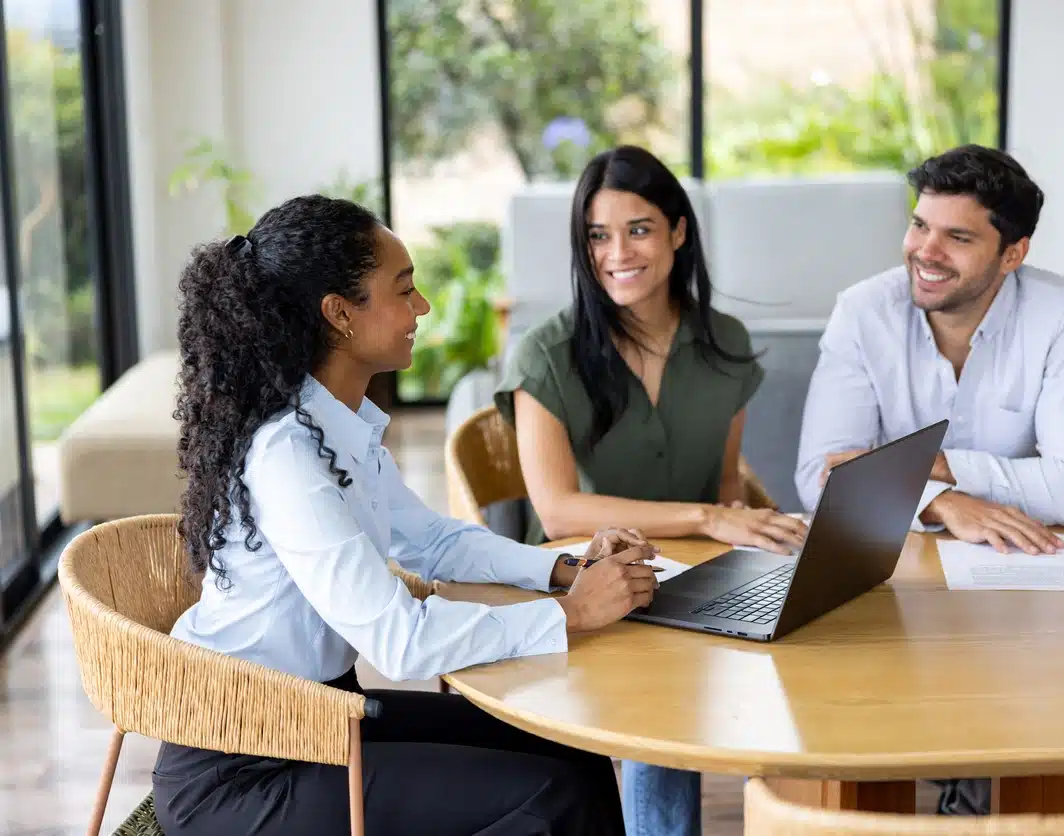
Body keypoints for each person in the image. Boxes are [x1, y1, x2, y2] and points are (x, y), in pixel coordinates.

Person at [154, 194, 660, 835]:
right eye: (404, 290)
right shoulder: (286, 451)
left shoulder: (332, 427)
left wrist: (565, 569)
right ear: (339, 315)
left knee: (570, 745)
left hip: (320, 716)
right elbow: (399, 639)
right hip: (244, 767)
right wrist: (574, 613)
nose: (421, 307)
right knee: (551, 794)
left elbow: (434, 542)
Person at [794, 144, 1064, 814]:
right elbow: (818, 476)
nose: (925, 250)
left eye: (957, 236)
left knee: (1040, 727)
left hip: (1026, 590)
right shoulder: (863, 311)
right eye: (920, 225)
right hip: (892, 580)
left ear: (1012, 253)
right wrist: (943, 502)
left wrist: (935, 467)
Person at [495, 145, 807, 836]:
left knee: (814, 647)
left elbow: (726, 485)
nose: (616, 253)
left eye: (637, 229)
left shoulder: (722, 342)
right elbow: (556, 511)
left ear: (677, 232)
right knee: (665, 701)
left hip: (691, 583)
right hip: (580, 585)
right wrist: (710, 517)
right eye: (597, 236)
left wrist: (763, 534)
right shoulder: (545, 354)